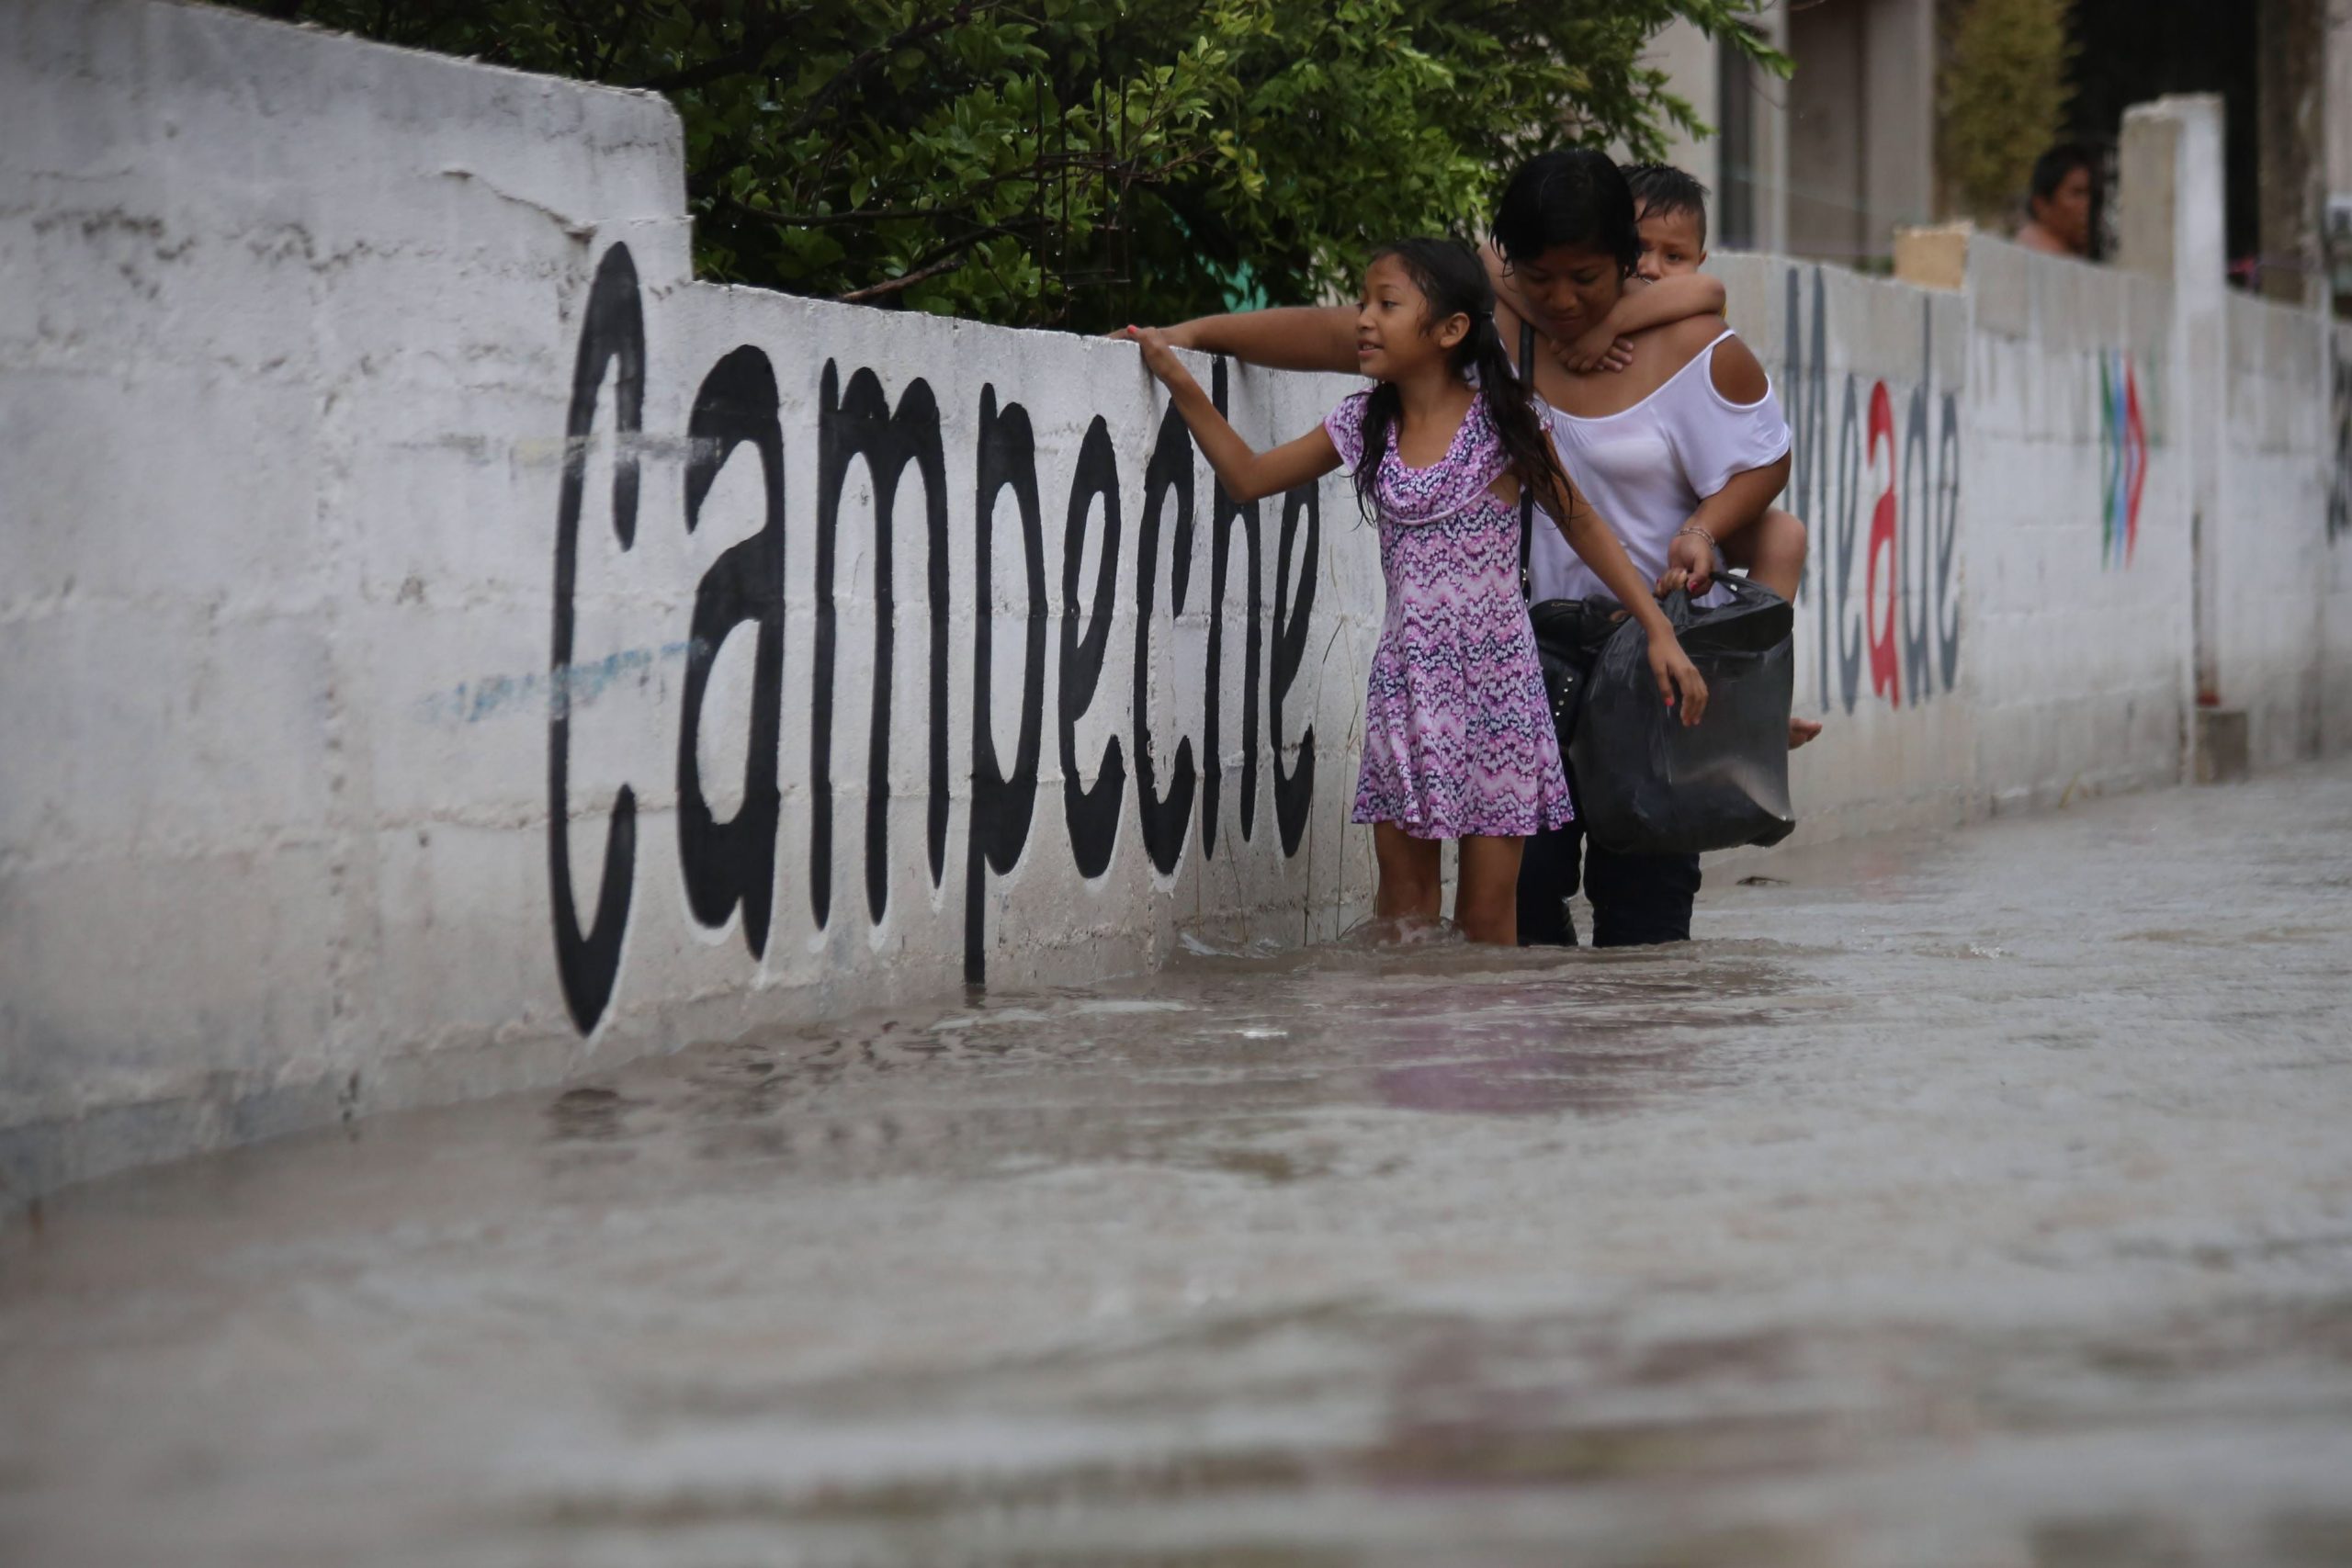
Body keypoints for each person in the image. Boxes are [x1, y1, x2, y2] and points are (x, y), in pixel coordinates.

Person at [1143, 151, 1792, 950]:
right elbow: (1331, 335)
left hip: (1593, 668)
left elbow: (1734, 473)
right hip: (1515, 660)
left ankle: (1619, 1066)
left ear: (1625, 263)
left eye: (1587, 279)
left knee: (1644, 919)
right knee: (1500, 919)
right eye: (1539, 277)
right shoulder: (1465, 347)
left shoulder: (1670, 351)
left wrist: (1678, 585)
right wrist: (1193, 338)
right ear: (1511, 272)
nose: (1562, 300)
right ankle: (1473, 1065)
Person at [1623, 161, 1821, 750]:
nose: (1652, 269)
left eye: (1673, 257)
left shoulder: (1701, 342)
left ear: (1700, 263)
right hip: (1608, 558)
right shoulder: (1577, 330)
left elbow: (1766, 461)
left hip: (1682, 542)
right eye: (1637, 248)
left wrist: (1704, 530)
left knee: (1783, 533)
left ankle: (1748, 694)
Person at [2015, 144, 2095, 260]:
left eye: (2094, 194)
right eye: (2077, 193)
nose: (2089, 204)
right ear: (2041, 204)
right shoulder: (2031, 258)